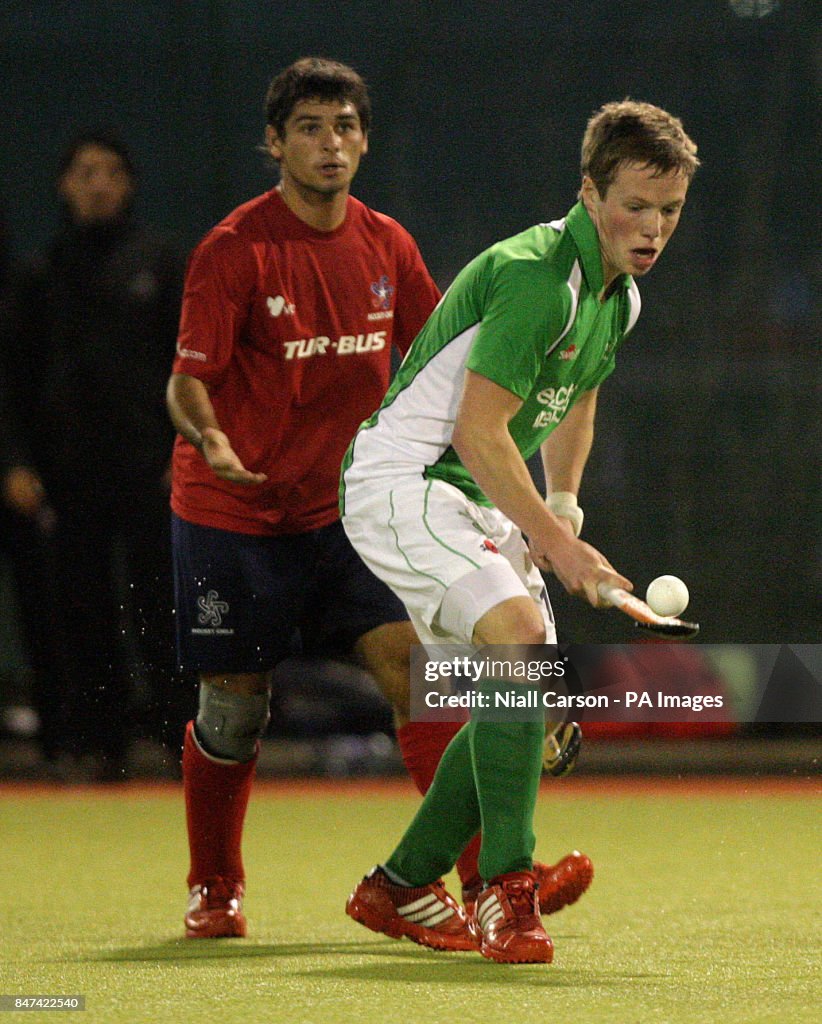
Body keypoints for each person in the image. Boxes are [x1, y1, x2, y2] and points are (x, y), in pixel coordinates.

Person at [168, 57, 592, 942]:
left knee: (423, 679)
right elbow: (186, 382)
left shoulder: (388, 245)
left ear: (365, 138)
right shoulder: (234, 249)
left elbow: (450, 365)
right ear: (277, 141)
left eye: (347, 126)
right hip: (233, 516)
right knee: (235, 705)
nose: (333, 144)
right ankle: (215, 887)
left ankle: (484, 884)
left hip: (348, 516)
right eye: (313, 127)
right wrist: (211, 437)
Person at [341, 99, 699, 963]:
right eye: (636, 206)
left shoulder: (620, 298)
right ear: (589, 190)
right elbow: (477, 430)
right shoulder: (541, 275)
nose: (652, 229)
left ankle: (398, 886)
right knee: (518, 642)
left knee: (523, 694)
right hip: (408, 479)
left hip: (475, 497)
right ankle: (507, 889)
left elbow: (577, 392)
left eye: (672, 211)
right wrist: (560, 550)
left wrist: (564, 509)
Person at [1, 131, 186, 779]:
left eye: (110, 171)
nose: (98, 183)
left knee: (162, 609)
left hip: (152, 470)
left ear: (128, 184)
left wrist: (183, 451)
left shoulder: (161, 264)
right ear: (64, 185)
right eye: (84, 172)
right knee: (81, 613)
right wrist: (17, 462)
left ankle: (180, 740)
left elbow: (193, 368)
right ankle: (99, 746)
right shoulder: (39, 271)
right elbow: (15, 378)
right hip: (65, 474)